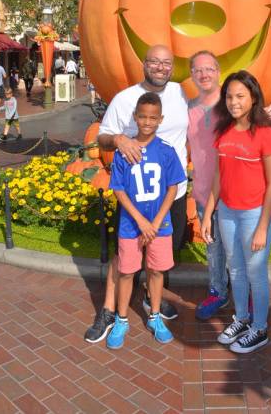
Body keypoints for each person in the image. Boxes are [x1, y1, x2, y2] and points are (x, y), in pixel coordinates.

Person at [84, 45, 189, 343]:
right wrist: (118, 138)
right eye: (154, 61)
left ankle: (149, 304)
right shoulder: (125, 98)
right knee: (125, 256)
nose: (160, 67)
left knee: (161, 255)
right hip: (135, 198)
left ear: (173, 66)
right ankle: (110, 310)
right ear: (144, 63)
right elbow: (102, 138)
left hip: (172, 194)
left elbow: (218, 105)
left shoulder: (183, 93)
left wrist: (268, 111)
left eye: (166, 62)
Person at [188, 50, 271, 321]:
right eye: (197, 70)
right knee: (215, 248)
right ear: (191, 74)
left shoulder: (235, 103)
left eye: (209, 69)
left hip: (244, 198)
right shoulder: (188, 109)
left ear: (218, 71)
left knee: (247, 255)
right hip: (209, 190)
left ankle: (253, 301)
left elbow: (267, 143)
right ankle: (219, 292)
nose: (204, 74)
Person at [106, 92, 186, 349]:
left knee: (156, 271)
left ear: (160, 119)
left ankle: (154, 316)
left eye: (153, 118)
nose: (148, 122)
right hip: (131, 225)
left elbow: (173, 187)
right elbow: (118, 189)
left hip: (160, 226)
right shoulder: (124, 151)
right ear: (135, 117)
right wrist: (141, 221)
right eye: (143, 117)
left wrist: (157, 220)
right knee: (127, 271)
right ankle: (121, 319)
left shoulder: (166, 151)